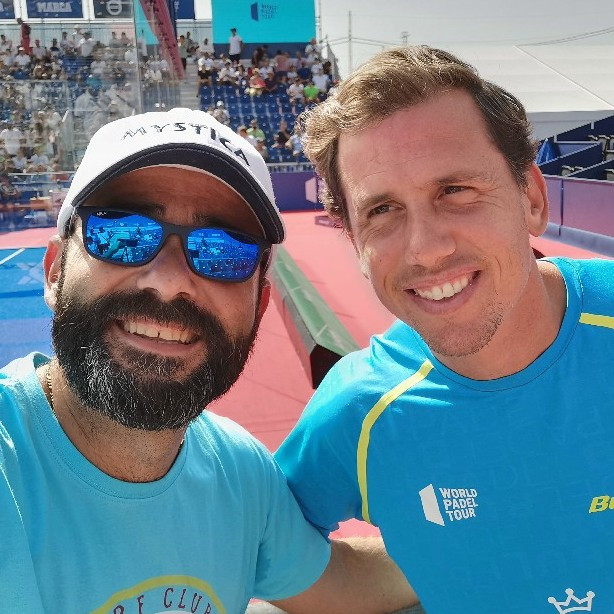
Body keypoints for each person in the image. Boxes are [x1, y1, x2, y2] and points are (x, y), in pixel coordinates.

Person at [0, 107, 414, 612]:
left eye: (223, 252)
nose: (169, 280)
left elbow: (339, 578)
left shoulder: (241, 476)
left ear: (259, 307)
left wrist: (484, 525)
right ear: (54, 272)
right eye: (124, 233)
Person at [276, 45, 614, 613]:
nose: (427, 249)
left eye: (455, 191)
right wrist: (431, 559)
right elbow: (273, 556)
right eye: (382, 211)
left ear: (532, 198)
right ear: (354, 242)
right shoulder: (359, 413)